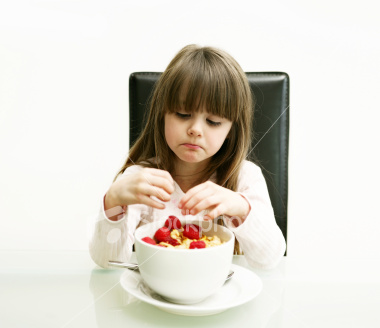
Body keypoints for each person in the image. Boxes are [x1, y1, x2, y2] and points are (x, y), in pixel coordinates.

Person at [89, 44, 286, 269]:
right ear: (162, 114)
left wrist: (241, 207)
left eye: (213, 122)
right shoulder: (141, 178)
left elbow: (270, 259)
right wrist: (113, 202)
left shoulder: (245, 177)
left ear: (231, 130)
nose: (196, 130)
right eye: (183, 115)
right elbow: (107, 261)